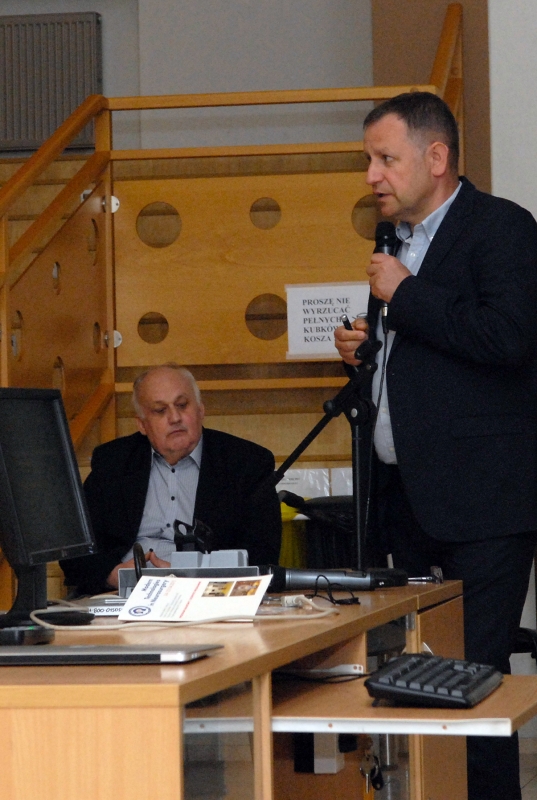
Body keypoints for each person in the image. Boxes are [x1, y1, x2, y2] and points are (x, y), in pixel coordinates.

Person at [334, 92, 537, 800]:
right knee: (414, 685)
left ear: (437, 157)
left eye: (385, 159)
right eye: (369, 160)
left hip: (483, 506)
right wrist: (366, 351)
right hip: (406, 501)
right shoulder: (393, 242)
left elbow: (507, 339)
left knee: (471, 685)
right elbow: (426, 358)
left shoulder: (502, 229)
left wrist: (407, 295)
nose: (372, 175)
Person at [61, 364, 282, 595]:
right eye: (160, 410)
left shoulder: (247, 463)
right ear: (142, 424)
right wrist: (112, 574)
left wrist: (191, 575)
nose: (175, 418)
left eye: (182, 405)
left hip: (207, 595)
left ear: (201, 410)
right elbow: (75, 551)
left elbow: (262, 556)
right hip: (123, 595)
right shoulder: (112, 462)